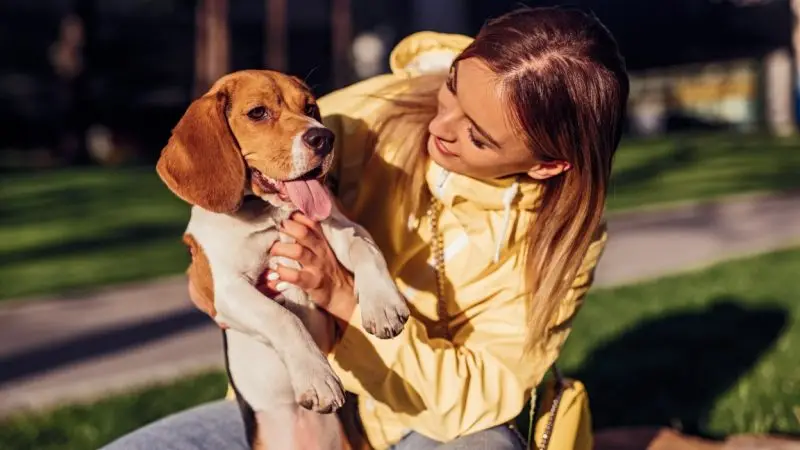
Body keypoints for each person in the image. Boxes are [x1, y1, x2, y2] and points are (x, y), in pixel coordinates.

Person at [103, 6, 629, 450]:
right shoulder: (364, 115)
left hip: (434, 421)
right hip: (290, 404)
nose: (440, 126)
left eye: (478, 136)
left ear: (546, 165)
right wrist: (210, 279)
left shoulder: (563, 241)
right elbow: (227, 169)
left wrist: (344, 296)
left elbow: (482, 396)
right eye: (451, 91)